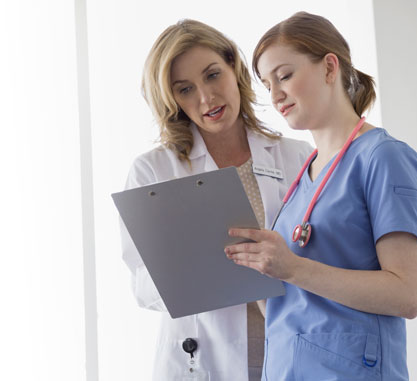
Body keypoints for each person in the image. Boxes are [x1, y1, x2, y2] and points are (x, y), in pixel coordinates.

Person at [224, 12, 417, 380]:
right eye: (267, 84)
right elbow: (297, 300)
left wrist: (292, 267)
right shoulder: (304, 176)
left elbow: (407, 294)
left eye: (284, 75)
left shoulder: (383, 158)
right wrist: (255, 269)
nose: (275, 95)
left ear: (329, 67)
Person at [120, 19, 313, 380]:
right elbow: (141, 285)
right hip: (203, 360)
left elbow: (321, 254)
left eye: (212, 76)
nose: (206, 98)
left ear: (234, 68)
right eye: (185, 89)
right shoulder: (154, 170)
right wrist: (192, 272)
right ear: (172, 99)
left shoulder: (298, 157)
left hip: (290, 349)